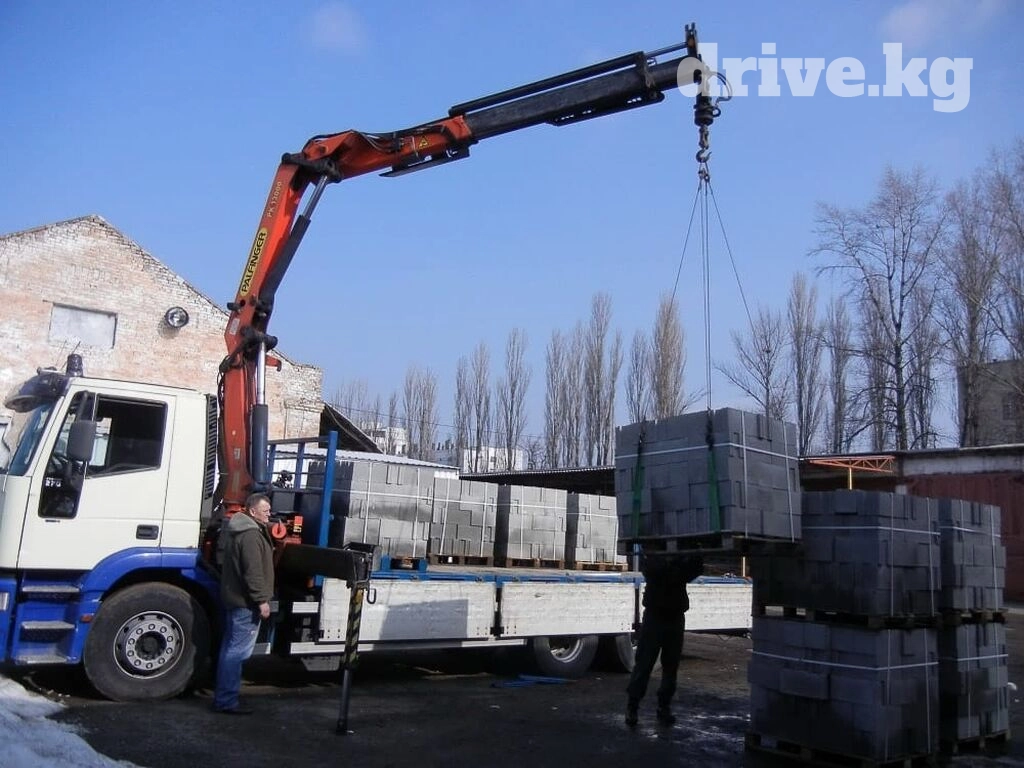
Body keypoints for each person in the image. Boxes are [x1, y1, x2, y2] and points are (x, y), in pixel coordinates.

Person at [625, 551, 704, 727]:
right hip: (655, 615)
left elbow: (695, 568)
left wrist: (678, 564)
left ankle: (663, 707)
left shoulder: (675, 556)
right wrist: (677, 566)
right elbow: (655, 570)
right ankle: (633, 706)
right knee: (644, 663)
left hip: (674, 615)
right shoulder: (654, 553)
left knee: (671, 666)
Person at [212, 492, 275, 714]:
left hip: (236, 600)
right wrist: (261, 600)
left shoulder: (241, 530)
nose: (269, 514)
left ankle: (224, 698)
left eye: (269, 510)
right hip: (245, 604)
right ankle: (226, 701)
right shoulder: (250, 536)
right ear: (252, 511)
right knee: (237, 653)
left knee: (230, 649)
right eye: (265, 510)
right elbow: (253, 572)